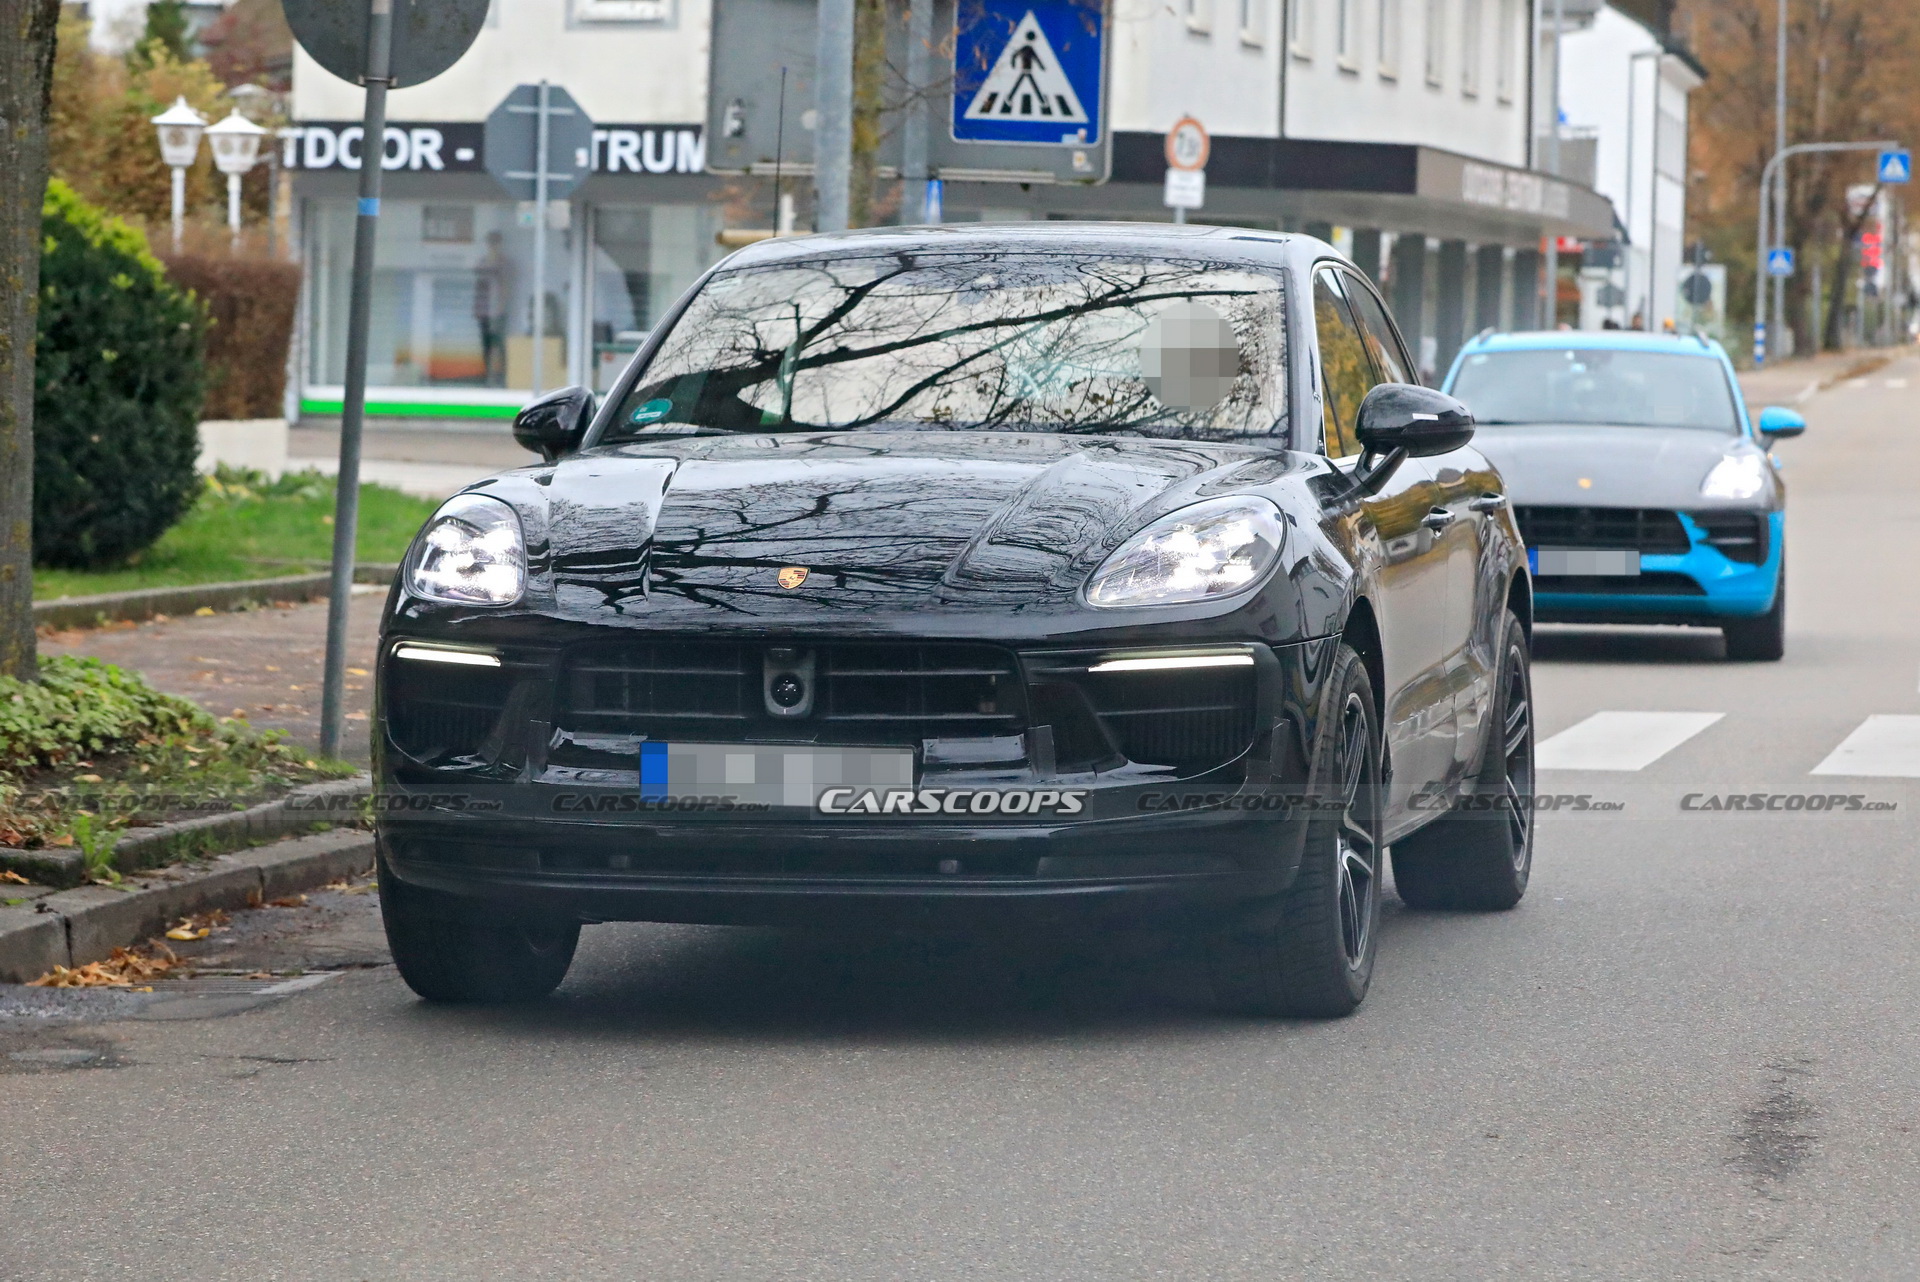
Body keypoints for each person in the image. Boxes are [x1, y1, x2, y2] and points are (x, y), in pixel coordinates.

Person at [474, 231, 515, 387]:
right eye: (490, 243)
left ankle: (503, 377)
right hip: (484, 310)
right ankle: (487, 377)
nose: (493, 246)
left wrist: (502, 306)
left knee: (500, 344)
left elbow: (507, 286)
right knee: (486, 344)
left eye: (495, 243)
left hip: (498, 310)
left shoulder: (505, 263)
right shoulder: (483, 262)